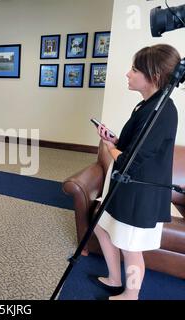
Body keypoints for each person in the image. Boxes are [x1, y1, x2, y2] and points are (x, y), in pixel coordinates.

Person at [93, 44, 181, 300]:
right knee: (101, 226)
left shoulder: (162, 112)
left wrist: (110, 147)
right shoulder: (148, 106)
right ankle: (114, 277)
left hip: (139, 192)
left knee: (130, 249)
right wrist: (116, 141)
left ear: (153, 76)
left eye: (134, 69)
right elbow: (136, 146)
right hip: (126, 187)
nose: (127, 74)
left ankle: (130, 295)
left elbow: (133, 160)